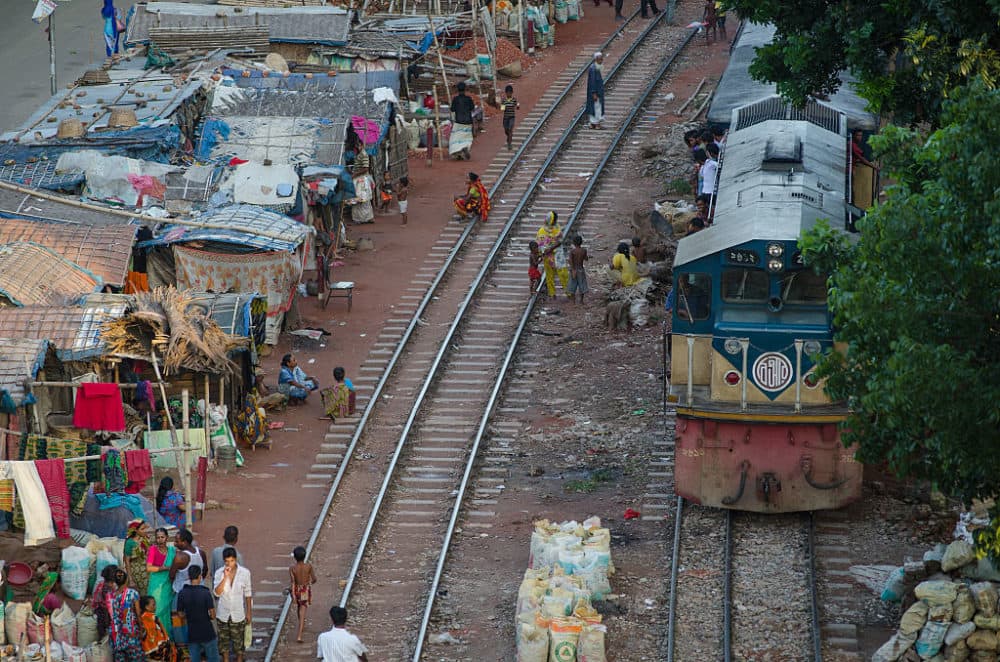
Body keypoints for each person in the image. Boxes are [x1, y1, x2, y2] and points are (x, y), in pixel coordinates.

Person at [214, 547, 253, 662]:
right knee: (224, 646)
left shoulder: (245, 573)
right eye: (226, 561)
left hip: (238, 614)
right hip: (223, 615)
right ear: (223, 561)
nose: (229, 564)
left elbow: (248, 594)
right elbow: (217, 592)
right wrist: (225, 577)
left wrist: (249, 613)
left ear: (235, 560)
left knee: (239, 647)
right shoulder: (219, 573)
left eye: (231, 561)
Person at [177, 565, 219, 662]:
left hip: (192, 632)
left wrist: (188, 616)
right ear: (200, 576)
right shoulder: (205, 592)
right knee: (213, 658)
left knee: (194, 658)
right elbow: (212, 615)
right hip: (207, 632)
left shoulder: (182, 593)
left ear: (189, 576)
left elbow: (180, 614)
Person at [146, 527, 175, 637]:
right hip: (156, 584)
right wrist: (164, 568)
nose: (160, 540)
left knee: (166, 611)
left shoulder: (172, 551)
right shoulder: (153, 549)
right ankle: (157, 637)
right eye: (158, 537)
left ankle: (167, 637)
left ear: (167, 538)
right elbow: (149, 568)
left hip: (167, 584)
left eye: (162, 537)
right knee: (156, 609)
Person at [110, 569, 143, 662]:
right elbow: (138, 613)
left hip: (117, 633)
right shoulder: (133, 593)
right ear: (127, 579)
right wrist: (141, 629)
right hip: (130, 630)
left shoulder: (112, 595)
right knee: (137, 657)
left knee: (120, 657)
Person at [170, 529, 208, 605]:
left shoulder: (179, 557)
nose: (175, 544)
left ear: (184, 542)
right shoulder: (201, 553)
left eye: (177, 541)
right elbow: (205, 570)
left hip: (181, 592)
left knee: (178, 615)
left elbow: (171, 575)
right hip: (199, 590)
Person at [289, 546, 317, 644]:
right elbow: (314, 579)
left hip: (297, 590)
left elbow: (293, 583)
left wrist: (293, 595)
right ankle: (299, 635)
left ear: (295, 557)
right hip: (304, 590)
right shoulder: (308, 566)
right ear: (305, 556)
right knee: (303, 611)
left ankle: (301, 626)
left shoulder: (292, 568)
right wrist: (309, 583)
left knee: (299, 608)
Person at [536, 212, 568, 298]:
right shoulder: (542, 231)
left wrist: (551, 248)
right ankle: (552, 294)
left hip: (558, 254)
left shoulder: (556, 227)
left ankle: (568, 292)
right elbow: (541, 245)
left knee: (563, 274)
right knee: (550, 276)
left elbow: (560, 240)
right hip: (548, 255)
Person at [139, 596, 177, 662]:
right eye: (153, 605)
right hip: (156, 647)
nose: (155, 606)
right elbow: (154, 633)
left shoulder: (145, 617)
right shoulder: (150, 618)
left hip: (152, 647)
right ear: (147, 607)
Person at [449, 81, 475, 160]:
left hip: (458, 122)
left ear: (457, 89)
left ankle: (458, 152)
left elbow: (452, 109)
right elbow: (472, 108)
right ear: (465, 89)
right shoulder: (468, 98)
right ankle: (464, 148)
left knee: (455, 139)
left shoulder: (455, 99)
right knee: (466, 138)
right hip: (468, 122)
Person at [123, 519, 150, 594]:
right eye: (142, 529)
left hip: (148, 570)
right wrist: (130, 579)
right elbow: (127, 561)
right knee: (142, 594)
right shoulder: (129, 543)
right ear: (135, 530)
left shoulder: (145, 539)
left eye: (145, 528)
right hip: (137, 573)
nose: (145, 530)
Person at [93, 564, 119, 639]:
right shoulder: (105, 589)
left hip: (109, 611)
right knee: (103, 629)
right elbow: (106, 608)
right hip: (104, 612)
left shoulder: (105, 585)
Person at [567, 235, 589, 305]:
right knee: (582, 285)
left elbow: (570, 261)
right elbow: (586, 259)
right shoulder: (584, 250)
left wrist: (573, 270)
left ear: (573, 243)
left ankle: (573, 301)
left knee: (572, 286)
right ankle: (581, 301)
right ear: (581, 242)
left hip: (574, 270)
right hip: (581, 269)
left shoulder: (572, 251)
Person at [586, 53, 606, 128]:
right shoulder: (594, 69)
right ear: (596, 59)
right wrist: (594, 93)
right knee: (597, 108)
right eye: (600, 59)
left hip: (596, 92)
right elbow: (593, 81)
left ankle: (592, 123)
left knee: (594, 107)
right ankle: (597, 124)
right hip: (596, 93)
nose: (601, 61)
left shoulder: (595, 67)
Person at [501, 85, 520, 150]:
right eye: (507, 92)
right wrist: (503, 107)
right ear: (506, 93)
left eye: (510, 92)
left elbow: (517, 106)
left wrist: (518, 106)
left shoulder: (514, 100)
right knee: (506, 130)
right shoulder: (504, 100)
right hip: (505, 118)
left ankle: (509, 144)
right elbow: (502, 109)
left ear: (512, 93)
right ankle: (509, 136)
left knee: (510, 129)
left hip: (512, 117)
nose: (509, 94)